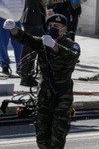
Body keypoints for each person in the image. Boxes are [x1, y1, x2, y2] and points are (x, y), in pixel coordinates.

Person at [4, 14, 80, 149]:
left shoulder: (72, 45)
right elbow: (27, 39)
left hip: (62, 97)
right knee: (42, 138)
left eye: (56, 26)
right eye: (50, 26)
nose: (52, 28)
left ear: (64, 29)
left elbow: (71, 57)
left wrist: (54, 46)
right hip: (44, 95)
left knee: (57, 138)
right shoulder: (43, 43)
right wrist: (14, 29)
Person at [19, 0, 46, 86]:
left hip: (38, 21)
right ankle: (25, 77)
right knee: (28, 50)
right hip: (30, 20)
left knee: (34, 51)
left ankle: (29, 76)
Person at [0, 0, 25, 75]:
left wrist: (20, 12)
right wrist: (6, 11)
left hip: (16, 20)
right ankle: (5, 65)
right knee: (2, 43)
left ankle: (20, 66)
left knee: (19, 43)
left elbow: (22, 0)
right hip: (3, 19)